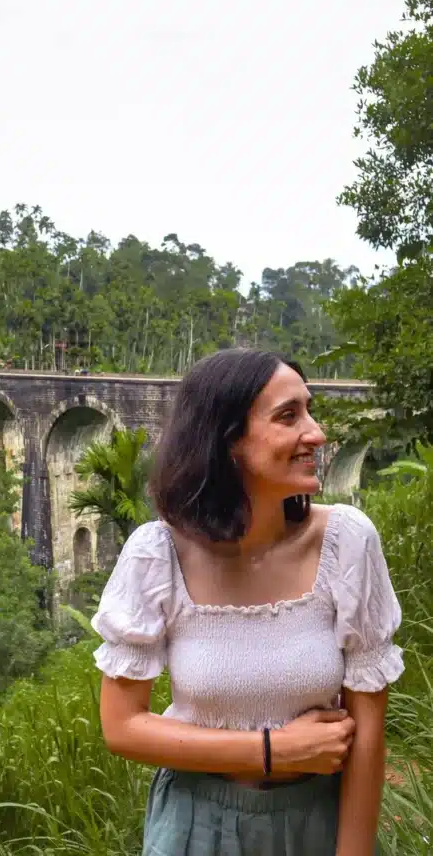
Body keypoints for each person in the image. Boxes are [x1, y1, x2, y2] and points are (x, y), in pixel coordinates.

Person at [91, 349, 403, 856]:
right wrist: (273, 750)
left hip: (317, 822)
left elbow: (368, 733)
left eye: (309, 409)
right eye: (288, 416)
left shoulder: (347, 541)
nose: (317, 433)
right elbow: (122, 726)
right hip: (195, 825)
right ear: (227, 440)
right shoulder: (159, 553)